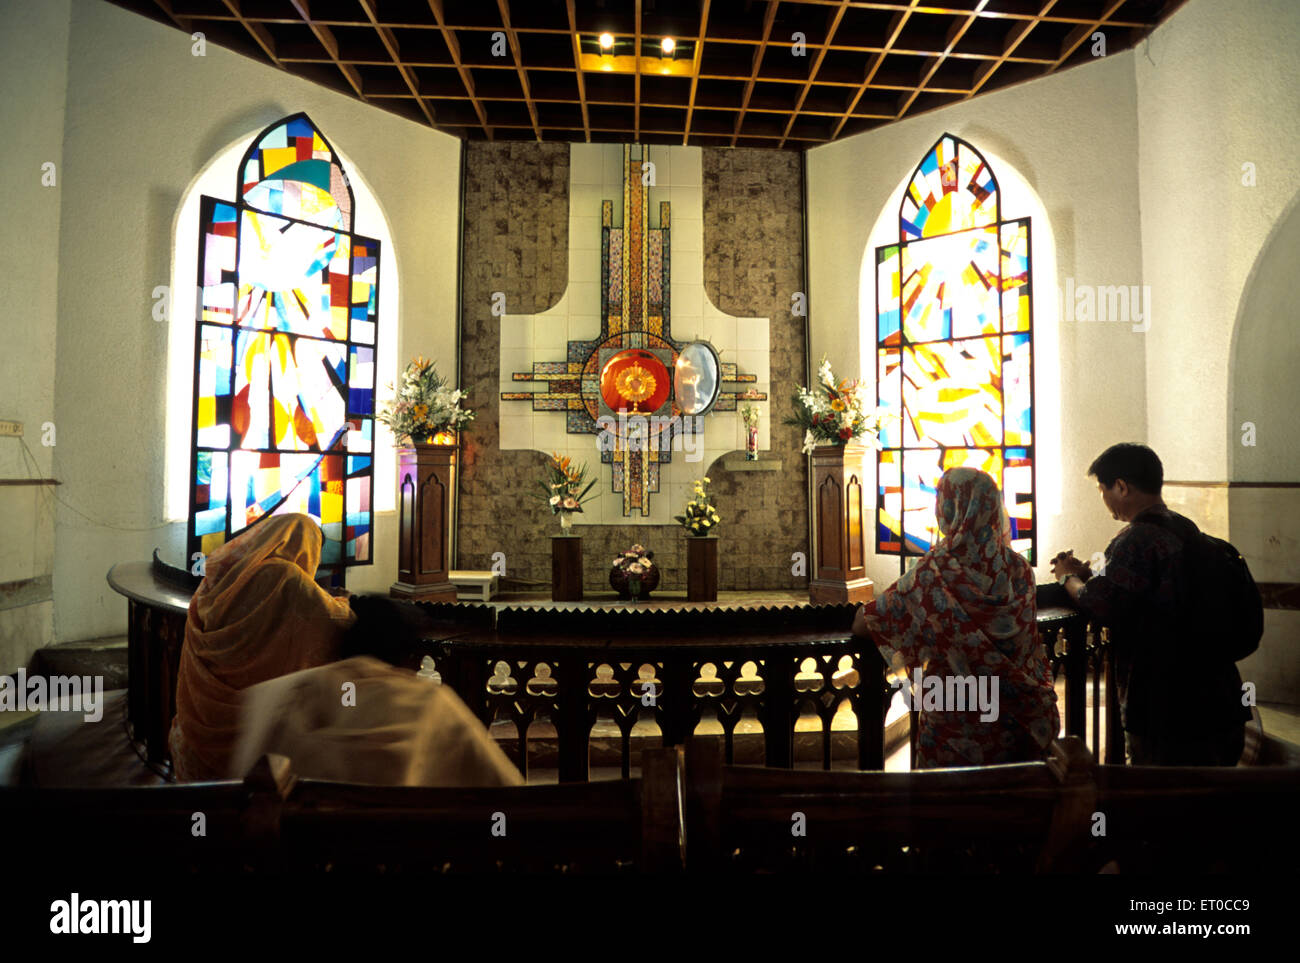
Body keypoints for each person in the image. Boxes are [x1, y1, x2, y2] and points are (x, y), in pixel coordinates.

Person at [1050, 443, 1249, 765]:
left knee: (1160, 804)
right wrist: (1092, 572)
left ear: (1121, 486)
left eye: (1102, 489)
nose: (1103, 499)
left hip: (1166, 707)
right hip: (1220, 696)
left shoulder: (1136, 538)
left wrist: (1067, 576)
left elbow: (1099, 603)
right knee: (1213, 805)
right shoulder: (1185, 528)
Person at [852, 467, 1060, 768]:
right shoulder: (1018, 569)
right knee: (1014, 807)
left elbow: (865, 624)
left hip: (956, 722)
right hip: (1019, 721)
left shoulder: (934, 570)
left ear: (949, 509)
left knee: (950, 809)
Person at [169, 514, 355, 781]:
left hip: (201, 725)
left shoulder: (228, 575)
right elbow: (333, 618)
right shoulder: (286, 577)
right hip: (252, 733)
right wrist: (346, 603)